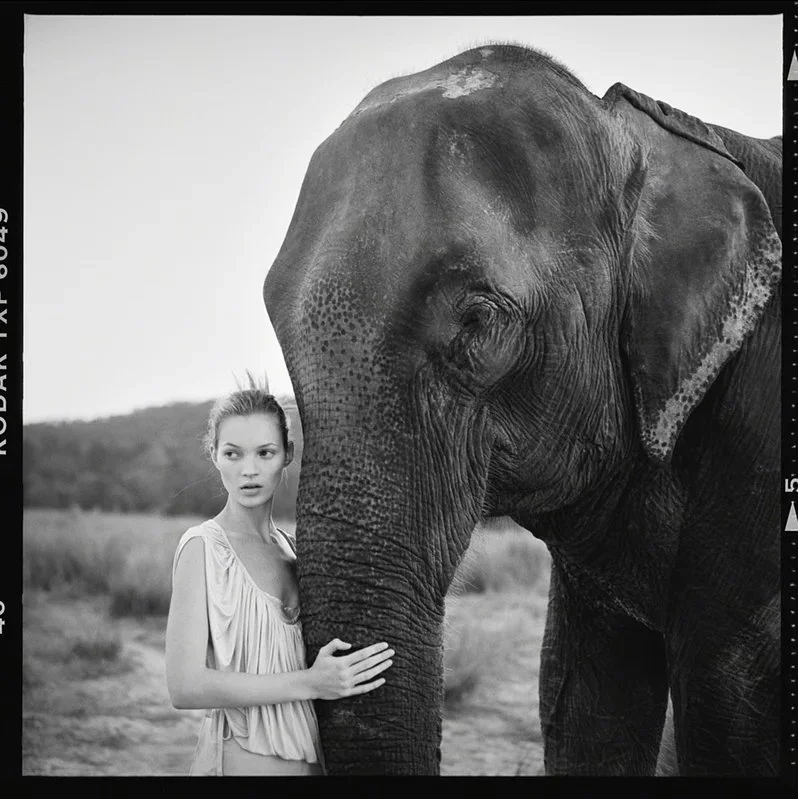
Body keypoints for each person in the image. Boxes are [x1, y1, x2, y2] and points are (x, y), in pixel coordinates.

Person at [165, 378, 394, 776]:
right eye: (233, 454)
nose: (248, 471)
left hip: (310, 760)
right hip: (237, 764)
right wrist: (311, 683)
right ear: (214, 455)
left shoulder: (295, 551)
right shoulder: (202, 548)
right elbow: (184, 687)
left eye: (264, 453)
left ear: (287, 454)